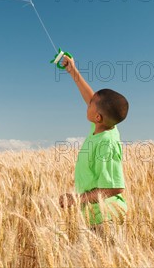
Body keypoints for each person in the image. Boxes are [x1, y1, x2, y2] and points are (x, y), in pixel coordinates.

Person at [58, 55, 129, 234]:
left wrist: (76, 198)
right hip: (95, 216)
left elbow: (114, 187)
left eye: (91, 105)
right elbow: (92, 97)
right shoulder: (102, 125)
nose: (87, 104)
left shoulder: (107, 143)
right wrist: (72, 71)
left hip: (105, 220)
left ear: (97, 117)